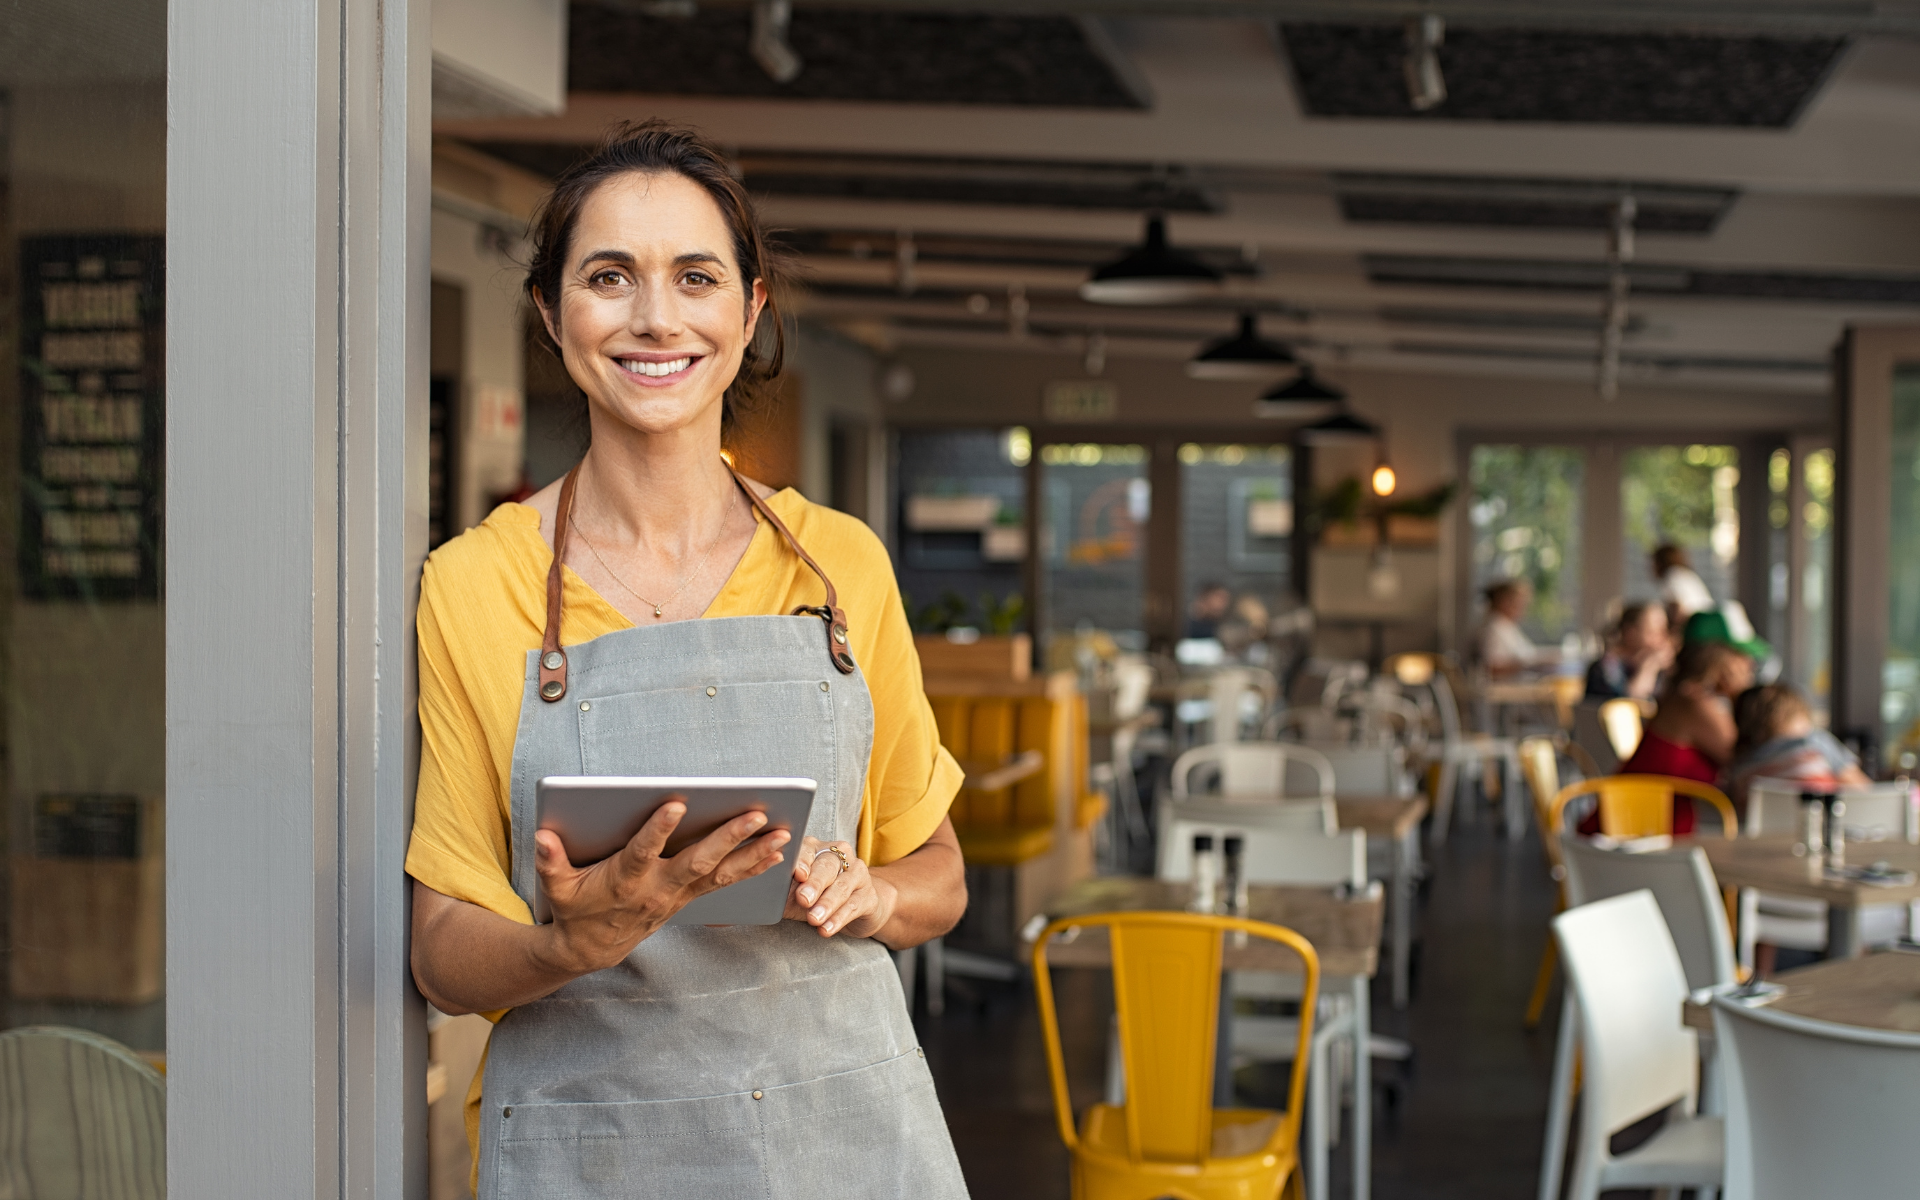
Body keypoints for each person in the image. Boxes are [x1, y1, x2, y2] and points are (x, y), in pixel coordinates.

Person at [405, 123, 969, 1198]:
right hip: (595, 1148)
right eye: (609, 276)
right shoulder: (476, 585)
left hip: (840, 1137)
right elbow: (440, 949)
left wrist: (874, 898)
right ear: (550, 312)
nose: (655, 317)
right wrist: (575, 941)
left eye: (695, 277)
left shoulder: (843, 566)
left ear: (748, 311)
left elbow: (937, 874)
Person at [1612, 640, 1753, 834]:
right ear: (1723, 666)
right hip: (1635, 831)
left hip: (1644, 823)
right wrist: (1742, 696)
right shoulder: (1694, 703)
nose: (1748, 674)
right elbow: (1745, 757)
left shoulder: (1683, 697)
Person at [1726, 683, 1869, 809]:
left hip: (1764, 838)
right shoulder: (1814, 742)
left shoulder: (1739, 769)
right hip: (1822, 830)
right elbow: (1863, 791)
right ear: (1796, 715)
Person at [1584, 602, 1672, 701]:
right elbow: (1628, 705)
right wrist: (1649, 668)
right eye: (1653, 633)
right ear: (1630, 633)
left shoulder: (1663, 669)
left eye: (1665, 631)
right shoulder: (1606, 668)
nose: (1662, 639)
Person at [1472, 579, 1541, 678]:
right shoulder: (1493, 628)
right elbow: (1491, 667)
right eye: (1520, 603)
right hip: (1503, 688)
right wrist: (1529, 665)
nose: (1523, 609)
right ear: (1504, 602)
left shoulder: (1506, 626)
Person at [1652, 543, 1714, 622]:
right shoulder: (1687, 575)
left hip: (1695, 626)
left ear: (1660, 562)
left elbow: (1678, 609)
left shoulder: (1671, 576)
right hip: (1709, 623)